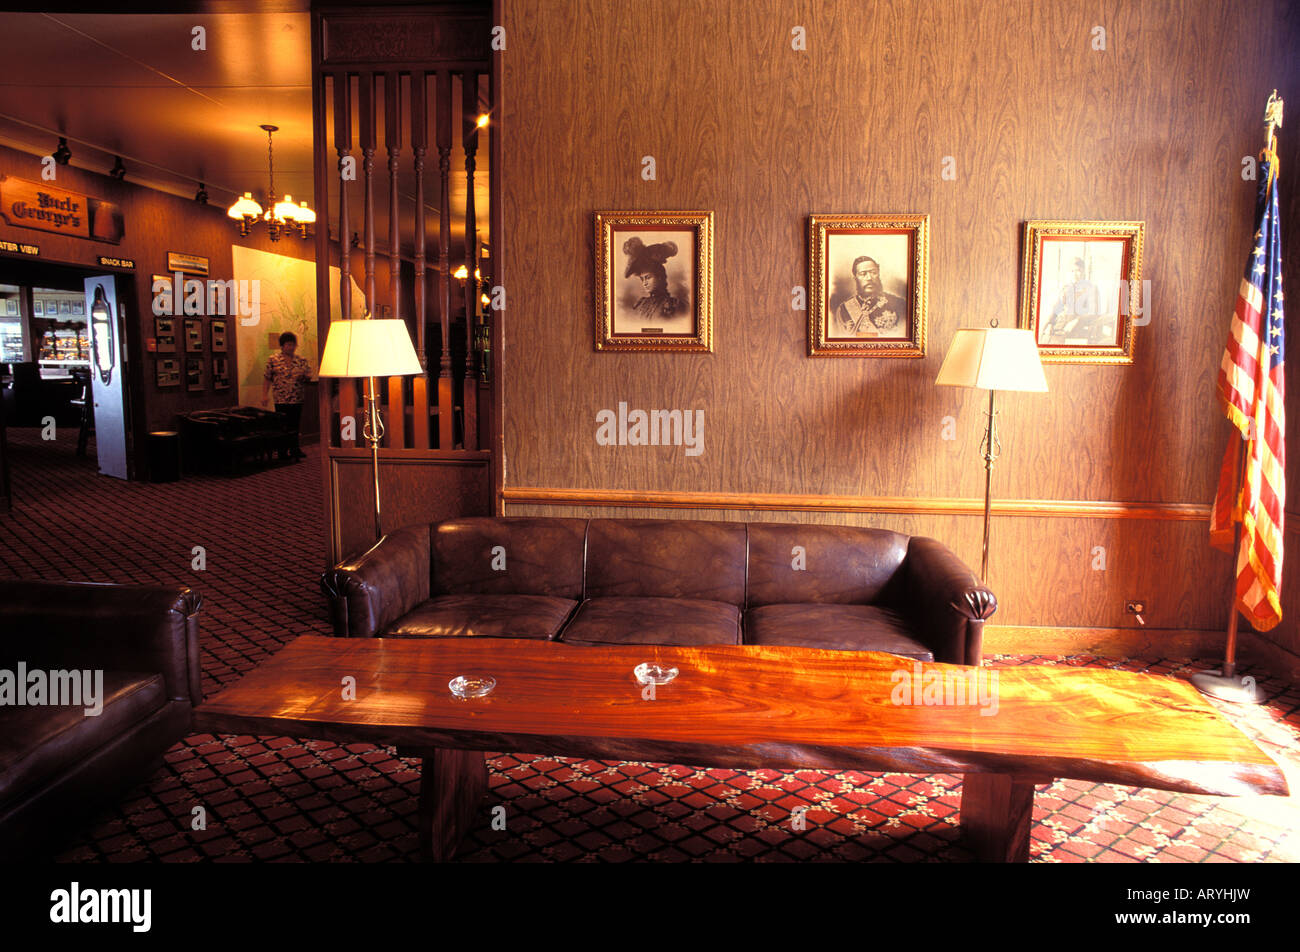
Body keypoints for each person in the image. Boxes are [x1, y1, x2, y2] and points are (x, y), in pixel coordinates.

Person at [261, 331, 311, 461]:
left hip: (297, 397)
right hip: (281, 398)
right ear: (282, 346)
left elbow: (308, 377)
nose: (291, 347)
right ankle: (282, 450)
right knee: (282, 425)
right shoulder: (273, 360)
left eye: (293, 344)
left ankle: (295, 449)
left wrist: (304, 377)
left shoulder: (301, 360)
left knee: (295, 424)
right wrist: (264, 395)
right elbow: (267, 378)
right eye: (289, 344)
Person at [833, 256, 906, 336]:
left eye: (873, 273)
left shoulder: (899, 304)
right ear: (855, 278)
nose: (869, 278)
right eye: (863, 274)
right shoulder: (843, 310)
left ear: (878, 275)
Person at [622, 236, 688, 324]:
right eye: (642, 279)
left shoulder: (673, 305)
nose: (645, 283)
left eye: (648, 278)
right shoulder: (641, 304)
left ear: (660, 277)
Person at [1043, 256, 1101, 342]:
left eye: (1078, 270)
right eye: (1072, 271)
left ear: (1083, 272)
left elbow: (1093, 312)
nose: (1074, 274)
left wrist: (1076, 321)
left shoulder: (1091, 288)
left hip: (1079, 329)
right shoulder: (1066, 288)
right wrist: (1049, 324)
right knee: (1044, 339)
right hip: (1060, 327)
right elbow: (1056, 309)